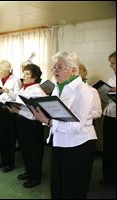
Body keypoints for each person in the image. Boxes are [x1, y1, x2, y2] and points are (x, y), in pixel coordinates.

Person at [32, 51, 99, 198]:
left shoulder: (84, 91)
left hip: (78, 145)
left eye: (60, 67)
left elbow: (75, 126)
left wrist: (48, 121)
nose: (55, 70)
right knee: (57, 186)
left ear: (73, 70)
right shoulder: (57, 87)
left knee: (72, 189)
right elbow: (58, 114)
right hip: (60, 142)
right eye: (54, 67)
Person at [7, 63, 46, 188]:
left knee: (34, 151)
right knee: (25, 149)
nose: (24, 75)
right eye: (24, 73)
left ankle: (35, 177)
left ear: (34, 77)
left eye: (27, 73)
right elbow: (20, 100)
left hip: (32, 125)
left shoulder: (37, 91)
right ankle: (29, 172)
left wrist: (17, 111)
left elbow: (35, 115)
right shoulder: (25, 87)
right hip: (23, 122)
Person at [0, 60, 19, 173]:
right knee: (1, 136)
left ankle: (10, 163)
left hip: (9, 110)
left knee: (9, 138)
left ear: (6, 70)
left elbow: (18, 97)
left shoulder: (15, 80)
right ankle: (4, 160)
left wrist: (8, 91)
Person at [101, 51, 116, 187]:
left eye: (113, 63)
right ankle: (108, 177)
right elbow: (108, 98)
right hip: (110, 115)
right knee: (108, 147)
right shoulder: (111, 79)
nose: (111, 66)